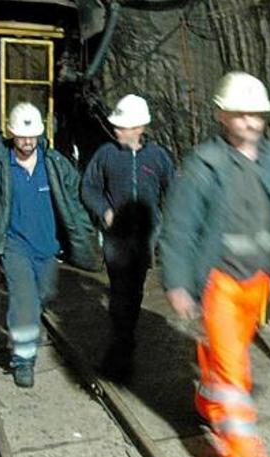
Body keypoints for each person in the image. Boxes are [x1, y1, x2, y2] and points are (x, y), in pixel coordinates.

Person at [159, 72, 270, 457]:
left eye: (256, 115)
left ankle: (208, 403)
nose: (249, 122)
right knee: (234, 370)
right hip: (220, 281)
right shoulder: (203, 166)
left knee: (223, 356)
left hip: (258, 282)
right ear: (222, 115)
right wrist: (177, 282)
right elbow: (180, 227)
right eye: (240, 114)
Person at [0, 102, 98, 388]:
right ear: (11, 133)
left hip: (48, 249)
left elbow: (77, 202)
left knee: (43, 295)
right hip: (15, 247)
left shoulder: (56, 166)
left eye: (32, 136)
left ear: (40, 134)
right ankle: (23, 360)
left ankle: (29, 326)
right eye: (22, 136)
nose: (27, 141)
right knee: (24, 302)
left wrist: (89, 233)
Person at [81, 94, 174, 378]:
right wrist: (104, 211)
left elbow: (174, 191)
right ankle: (122, 350)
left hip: (145, 238)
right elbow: (89, 188)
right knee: (121, 291)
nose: (116, 130)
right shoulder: (106, 155)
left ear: (139, 128)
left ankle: (124, 339)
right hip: (116, 238)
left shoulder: (158, 158)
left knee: (133, 291)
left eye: (122, 126)